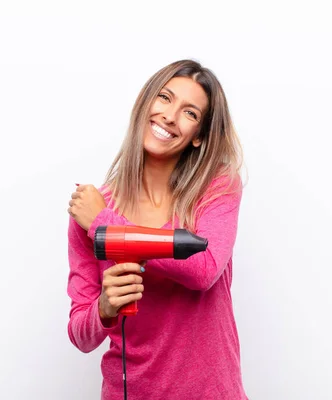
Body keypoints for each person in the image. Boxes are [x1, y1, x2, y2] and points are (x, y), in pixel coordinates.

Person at [66, 59, 248, 399]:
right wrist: (104, 307)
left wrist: (105, 226)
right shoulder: (90, 211)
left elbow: (203, 268)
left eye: (190, 113)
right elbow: (80, 333)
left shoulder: (216, 189)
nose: (170, 115)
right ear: (145, 103)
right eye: (165, 97)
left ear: (198, 137)